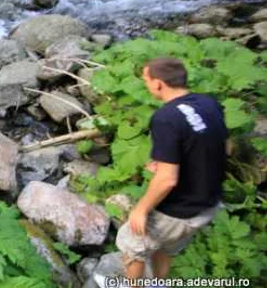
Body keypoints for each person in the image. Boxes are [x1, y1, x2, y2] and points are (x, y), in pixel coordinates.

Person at [95, 57, 228, 287]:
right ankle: (158, 283)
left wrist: (141, 209)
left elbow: (167, 180)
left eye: (146, 79)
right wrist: (173, 161)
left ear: (158, 84)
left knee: (131, 243)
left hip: (180, 210)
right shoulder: (208, 103)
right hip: (209, 201)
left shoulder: (166, 118)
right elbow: (223, 145)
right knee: (167, 246)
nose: (146, 84)